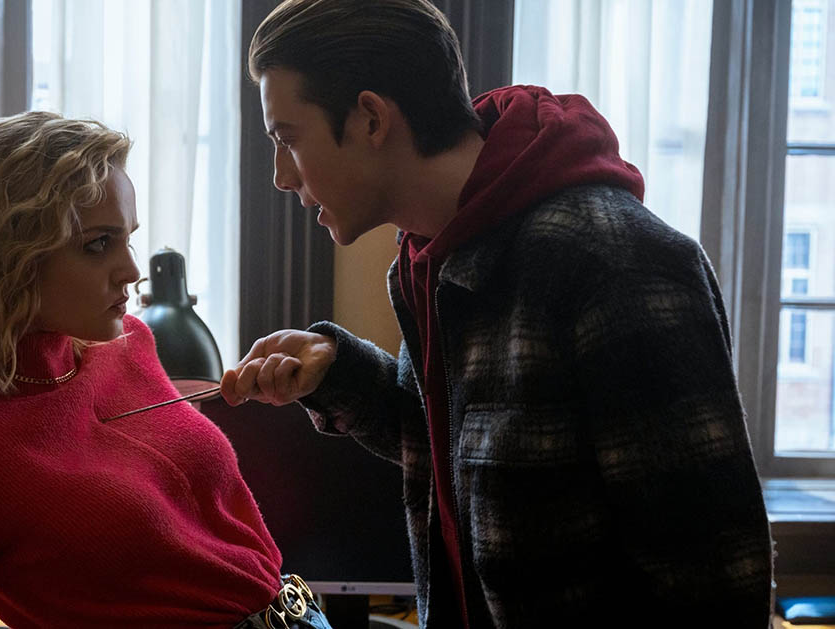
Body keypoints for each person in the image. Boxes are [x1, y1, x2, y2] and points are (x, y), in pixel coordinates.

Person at [220, 0, 774, 627]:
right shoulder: (434, 255)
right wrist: (337, 371)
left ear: (371, 118)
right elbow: (467, 452)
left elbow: (718, 580)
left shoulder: (613, 260)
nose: (279, 176)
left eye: (287, 139)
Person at [0, 111, 330, 629]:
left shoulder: (131, 345)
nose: (132, 271)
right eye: (98, 244)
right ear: (6, 259)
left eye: (127, 238)